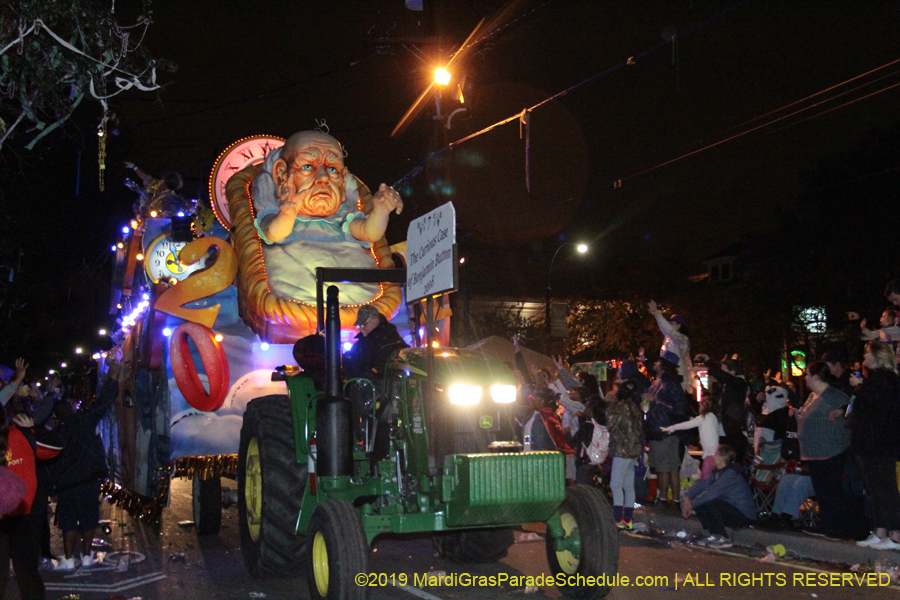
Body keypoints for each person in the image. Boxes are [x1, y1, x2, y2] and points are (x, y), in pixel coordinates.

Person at [251, 130, 403, 305]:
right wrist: (288, 213)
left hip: (353, 293)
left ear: (342, 181)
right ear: (281, 175)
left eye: (332, 169)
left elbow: (370, 233)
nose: (323, 178)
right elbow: (273, 233)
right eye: (307, 167)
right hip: (299, 293)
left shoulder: (343, 218)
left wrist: (381, 211)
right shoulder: (277, 215)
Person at [49, 363, 119, 571]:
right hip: (89, 481)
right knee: (89, 519)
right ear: (71, 408)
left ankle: (69, 558)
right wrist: (113, 378)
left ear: (56, 416)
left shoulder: (56, 433)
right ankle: (87, 556)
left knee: (68, 522)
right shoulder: (85, 420)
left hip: (67, 485)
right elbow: (103, 402)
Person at [795, 361, 865, 540]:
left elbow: (851, 410)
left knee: (832, 490)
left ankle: (838, 527)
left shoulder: (834, 396)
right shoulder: (812, 396)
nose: (805, 378)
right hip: (814, 453)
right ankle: (827, 524)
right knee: (822, 491)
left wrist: (841, 412)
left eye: (807, 374)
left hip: (830, 451)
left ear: (816, 377)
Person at [849, 341, 900, 550]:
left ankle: (895, 533)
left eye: (868, 353)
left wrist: (860, 388)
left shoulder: (887, 380)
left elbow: (879, 406)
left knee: (885, 488)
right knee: (874, 489)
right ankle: (880, 530)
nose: (864, 358)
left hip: (880, 444)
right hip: (869, 443)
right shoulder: (875, 380)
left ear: (878, 356)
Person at [0, 409, 44, 600]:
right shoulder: (20, 433)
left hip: (24, 513)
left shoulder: (20, 434)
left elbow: (52, 449)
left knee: (25, 570)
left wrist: (32, 431)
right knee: (24, 570)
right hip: (22, 512)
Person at [682, 444, 756, 549]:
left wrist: (691, 505)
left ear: (722, 458)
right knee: (702, 501)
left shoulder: (731, 474)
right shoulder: (717, 473)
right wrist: (688, 497)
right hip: (731, 509)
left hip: (744, 515)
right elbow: (700, 485)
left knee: (709, 501)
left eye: (716, 454)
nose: (713, 456)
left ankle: (722, 537)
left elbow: (711, 493)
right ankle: (713, 534)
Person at [643, 351, 689, 508]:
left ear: (664, 365)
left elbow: (680, 409)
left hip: (666, 431)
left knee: (667, 468)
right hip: (658, 431)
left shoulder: (671, 384)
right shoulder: (659, 382)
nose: (655, 364)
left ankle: (666, 499)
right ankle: (669, 499)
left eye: (658, 361)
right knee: (666, 467)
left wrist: (656, 400)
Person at [606, 380, 644, 530]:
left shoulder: (620, 407)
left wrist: (610, 406)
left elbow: (611, 425)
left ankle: (617, 519)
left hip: (621, 450)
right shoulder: (635, 407)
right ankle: (628, 519)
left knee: (615, 484)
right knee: (628, 486)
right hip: (633, 450)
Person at [700, 354, 749, 465]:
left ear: (732, 372)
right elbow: (723, 376)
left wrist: (709, 368)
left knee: (734, 462)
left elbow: (725, 377)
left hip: (734, 430)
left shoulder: (739, 383)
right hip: (725, 429)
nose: (721, 375)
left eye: (724, 371)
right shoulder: (729, 385)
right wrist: (708, 361)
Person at [661, 395, 723, 479]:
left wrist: (672, 428)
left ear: (704, 407)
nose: (699, 408)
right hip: (714, 454)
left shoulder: (704, 418)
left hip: (709, 454)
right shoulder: (713, 418)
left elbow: (687, 425)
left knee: (705, 477)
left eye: (700, 406)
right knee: (711, 477)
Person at [343, 305, 408, 380]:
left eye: (364, 324)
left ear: (375, 319)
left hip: (378, 384)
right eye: (359, 325)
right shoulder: (364, 341)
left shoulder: (388, 338)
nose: (361, 329)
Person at [648, 300, 692, 391]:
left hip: (677, 377)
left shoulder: (682, 339)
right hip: (668, 375)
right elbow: (666, 330)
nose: (669, 326)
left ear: (679, 326)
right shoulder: (669, 339)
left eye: (672, 324)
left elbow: (669, 331)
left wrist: (657, 314)